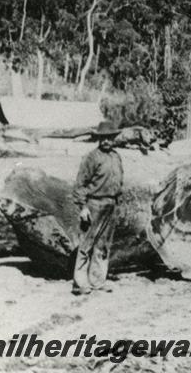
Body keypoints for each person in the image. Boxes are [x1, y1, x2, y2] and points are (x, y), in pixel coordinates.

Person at [72, 121, 124, 295]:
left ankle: (97, 280)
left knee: (103, 246)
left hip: (111, 205)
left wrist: (117, 203)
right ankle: (80, 283)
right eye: (103, 138)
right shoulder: (91, 157)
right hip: (94, 204)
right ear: (98, 139)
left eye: (110, 138)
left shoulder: (116, 157)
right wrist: (83, 207)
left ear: (114, 139)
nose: (106, 141)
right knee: (86, 244)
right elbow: (80, 185)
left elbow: (119, 182)